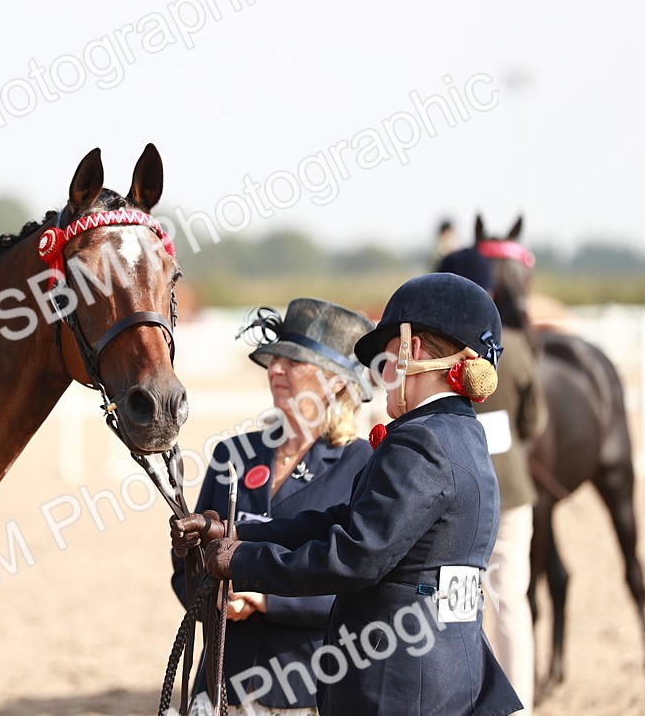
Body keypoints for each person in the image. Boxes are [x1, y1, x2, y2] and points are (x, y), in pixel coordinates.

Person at [172, 273, 522, 716]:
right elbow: (340, 520)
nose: (382, 376)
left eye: (387, 358)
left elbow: (356, 554)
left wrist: (241, 562)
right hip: (449, 674)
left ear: (412, 351)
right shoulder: (463, 433)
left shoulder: (420, 441)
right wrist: (235, 530)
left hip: (400, 687)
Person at [171, 298, 375, 715]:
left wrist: (265, 600)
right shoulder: (232, 453)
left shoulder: (363, 464)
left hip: (306, 688)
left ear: (336, 382)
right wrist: (212, 595)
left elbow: (359, 582)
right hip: (219, 682)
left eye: (294, 362)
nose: (276, 370)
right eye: (274, 360)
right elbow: (186, 571)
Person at [438, 248, 546, 715]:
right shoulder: (518, 347)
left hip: (453, 494)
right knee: (512, 605)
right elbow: (534, 422)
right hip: (512, 492)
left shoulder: (439, 350)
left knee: (449, 607)